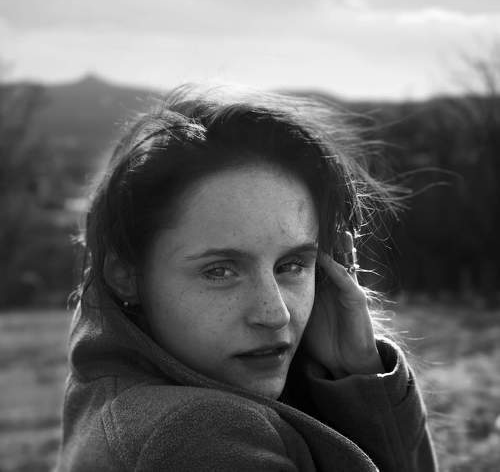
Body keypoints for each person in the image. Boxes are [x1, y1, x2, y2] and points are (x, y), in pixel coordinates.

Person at [56, 85, 438, 471]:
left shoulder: (109, 396)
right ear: (125, 276)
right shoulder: (200, 436)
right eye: (220, 271)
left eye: (292, 265)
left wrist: (357, 373)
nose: (275, 314)